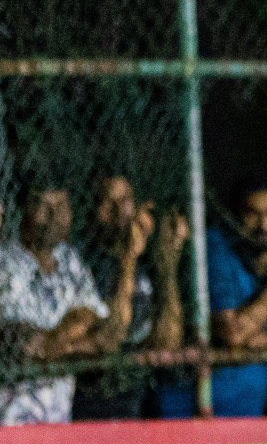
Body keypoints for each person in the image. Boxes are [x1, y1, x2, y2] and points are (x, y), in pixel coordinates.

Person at [161, 170, 267, 418]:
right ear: (237, 215)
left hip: (250, 404)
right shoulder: (216, 246)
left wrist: (255, 341)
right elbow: (232, 334)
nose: (264, 225)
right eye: (253, 214)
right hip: (192, 403)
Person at [0, 184, 109, 426]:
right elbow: (23, 342)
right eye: (44, 206)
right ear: (24, 210)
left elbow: (102, 331)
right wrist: (74, 337)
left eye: (61, 205)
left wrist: (56, 343)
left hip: (55, 421)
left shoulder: (70, 260)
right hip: (0, 422)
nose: (54, 216)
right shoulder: (4, 261)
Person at [71, 176, 187, 420]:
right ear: (92, 209)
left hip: (139, 392)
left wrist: (167, 259)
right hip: (93, 394)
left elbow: (168, 341)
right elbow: (112, 334)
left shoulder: (150, 258)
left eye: (125, 200)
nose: (118, 211)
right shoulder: (81, 260)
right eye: (107, 202)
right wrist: (129, 259)